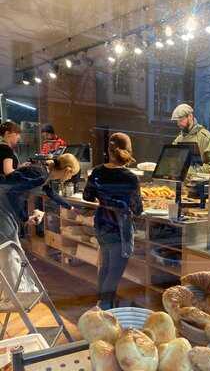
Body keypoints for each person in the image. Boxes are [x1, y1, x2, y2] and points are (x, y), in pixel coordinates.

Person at [0, 154, 80, 290]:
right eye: (72, 175)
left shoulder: (45, 175)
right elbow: (12, 193)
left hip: (6, 203)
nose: (70, 178)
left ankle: (19, 290)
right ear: (67, 170)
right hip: (3, 203)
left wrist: (70, 207)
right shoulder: (41, 175)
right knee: (10, 248)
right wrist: (25, 217)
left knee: (12, 247)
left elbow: (51, 193)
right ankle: (18, 292)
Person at [83, 133, 143, 310]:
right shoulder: (130, 177)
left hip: (101, 224)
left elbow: (87, 195)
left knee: (106, 266)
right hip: (119, 227)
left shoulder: (97, 172)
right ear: (128, 152)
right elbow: (137, 209)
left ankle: (101, 306)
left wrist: (105, 196)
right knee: (115, 271)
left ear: (108, 151)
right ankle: (106, 307)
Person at [171, 103, 210, 174]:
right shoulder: (179, 139)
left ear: (190, 116)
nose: (178, 124)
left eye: (181, 120)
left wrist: (192, 171)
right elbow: (172, 160)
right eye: (177, 121)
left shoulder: (204, 136)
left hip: (199, 182)